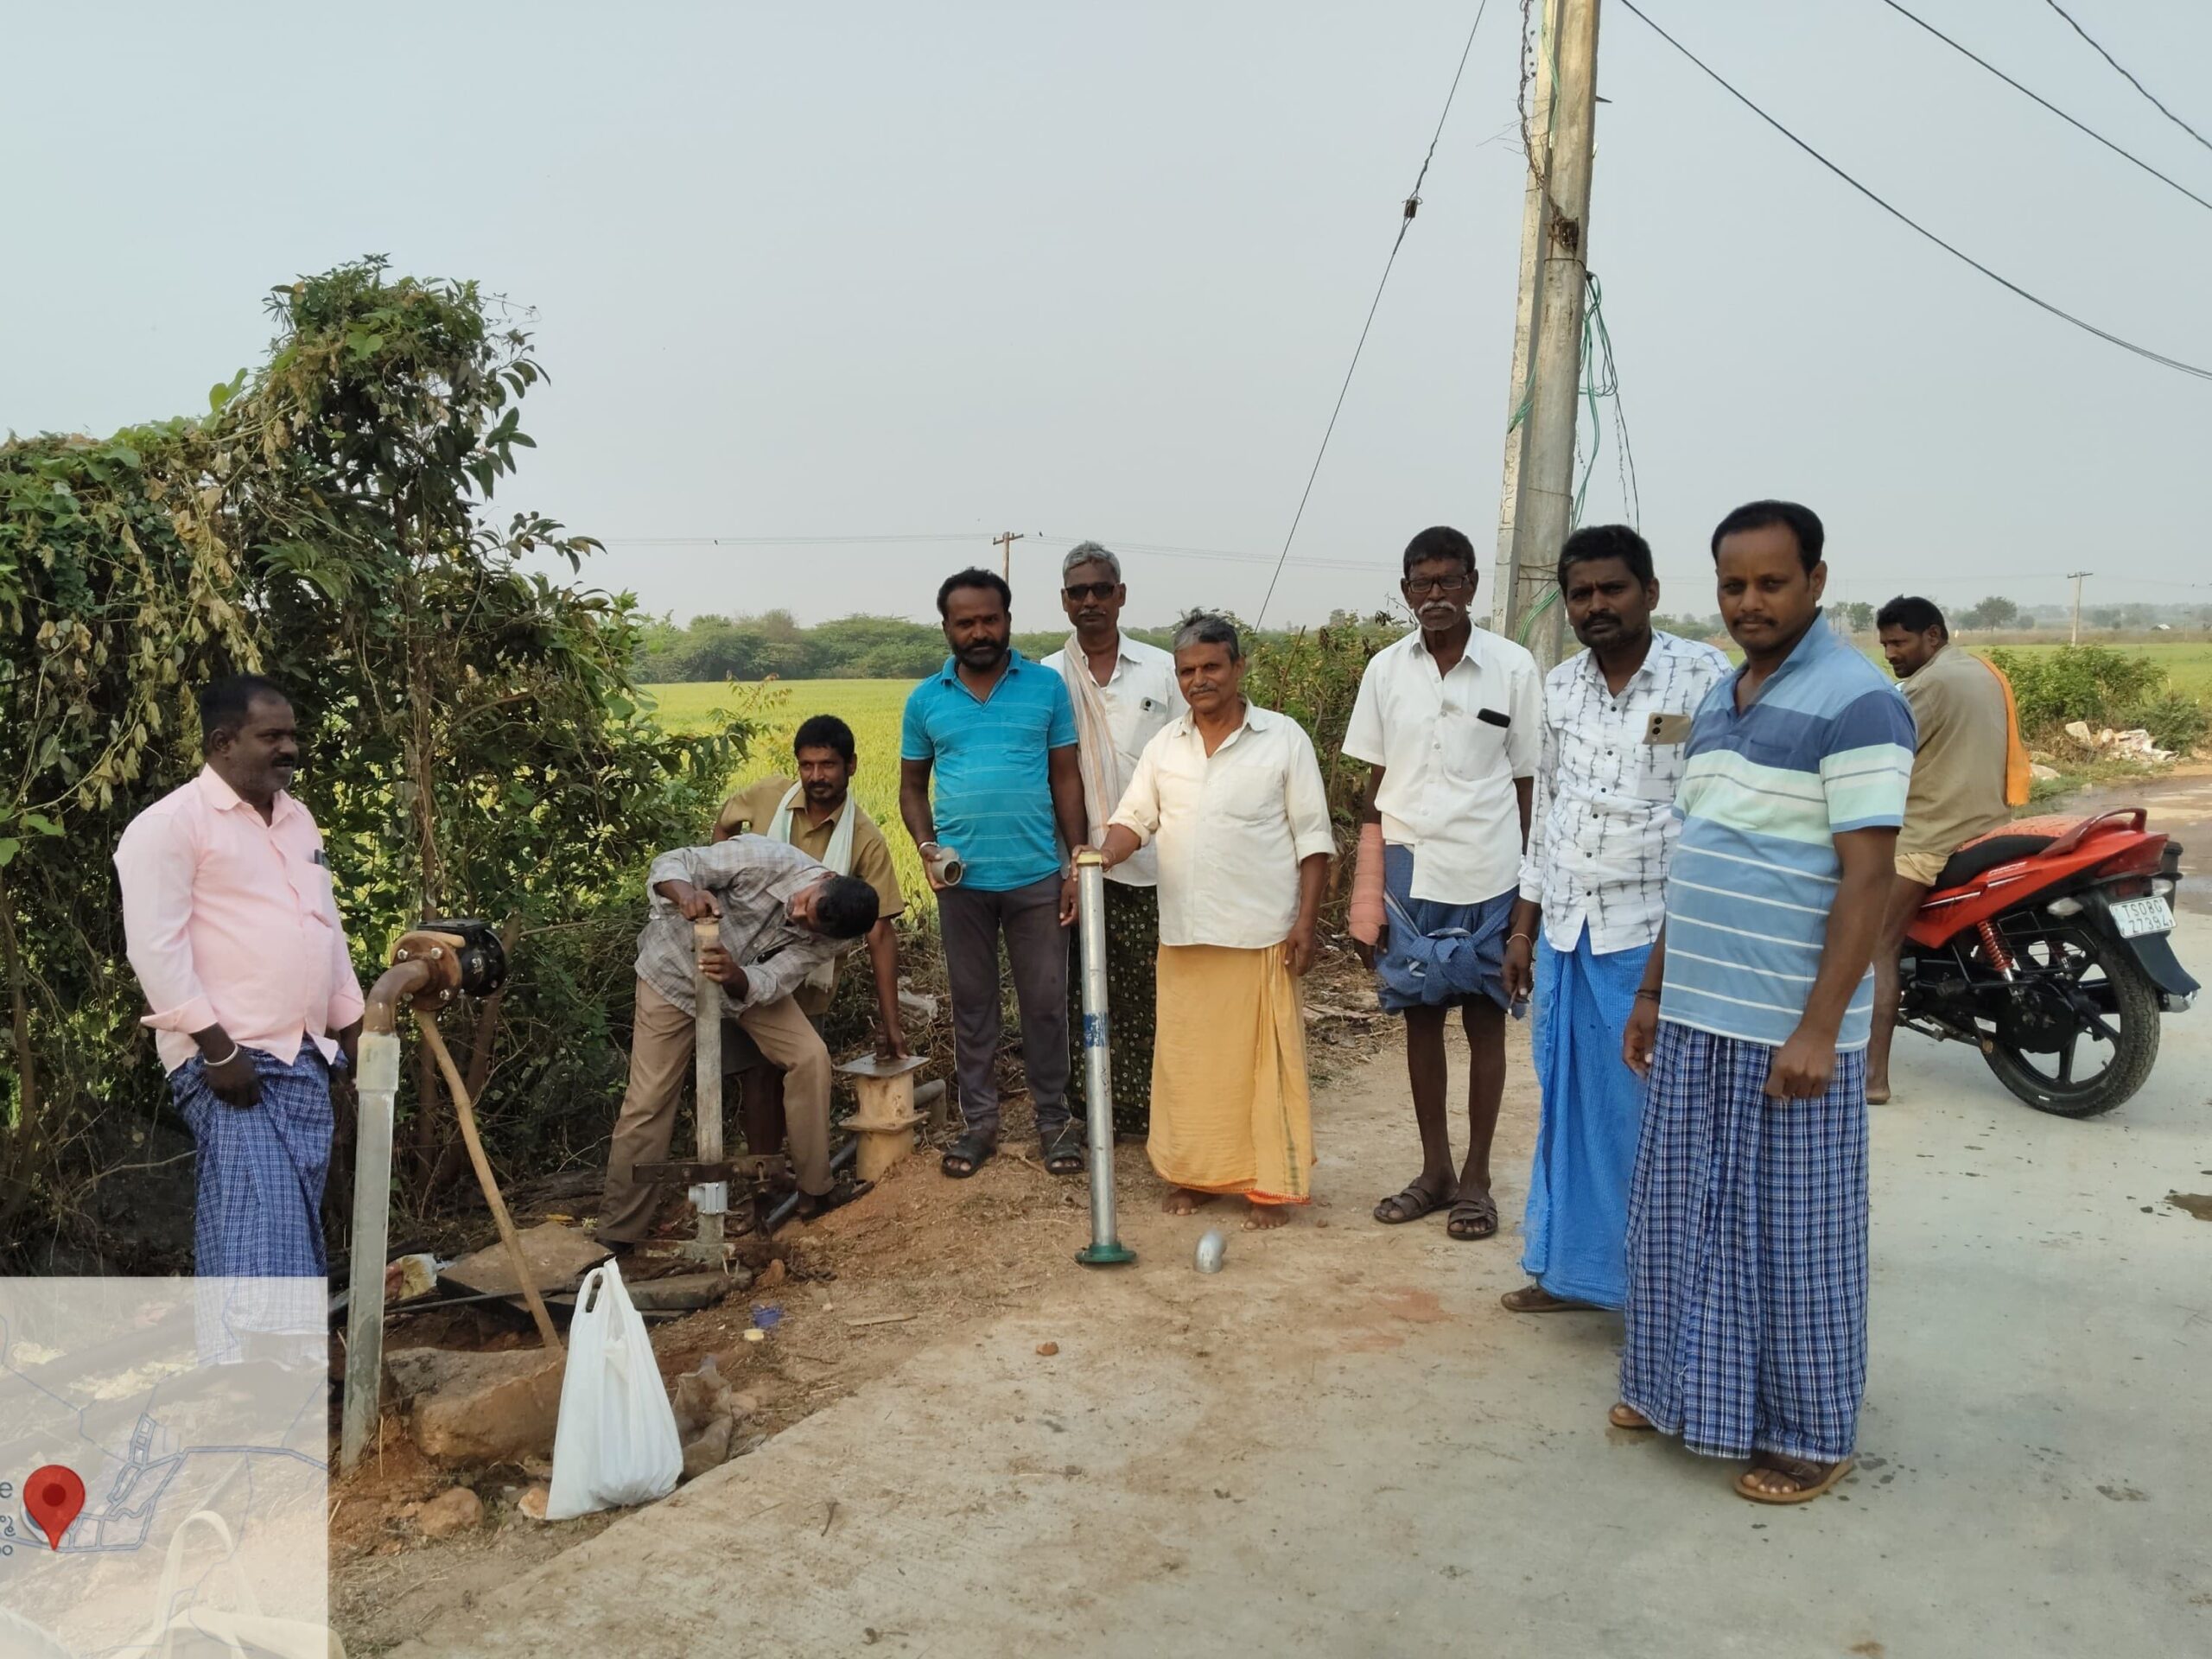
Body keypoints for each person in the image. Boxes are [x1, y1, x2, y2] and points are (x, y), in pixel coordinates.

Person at [1616, 500, 1916, 1506]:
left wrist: (1821, 1026)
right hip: (1698, 1015)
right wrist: (1654, 987)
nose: (1750, 602)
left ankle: (1810, 1433)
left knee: (1796, 1243)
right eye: (1733, 585)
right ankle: (1674, 1392)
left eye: (1771, 582)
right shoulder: (1718, 700)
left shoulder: (1858, 701)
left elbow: (1867, 880)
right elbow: (1697, 857)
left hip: (1782, 1029)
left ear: (1817, 581)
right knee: (1679, 1221)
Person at [1499, 527, 1728, 1315]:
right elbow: (1549, 815)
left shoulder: (1704, 677)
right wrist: (1523, 929)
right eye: (1581, 593)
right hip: (1567, 929)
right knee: (1568, 1106)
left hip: (1653, 938)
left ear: (1651, 592)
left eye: (1612, 589)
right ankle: (1570, 1270)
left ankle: (1663, 1294)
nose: (1596, 605)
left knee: (1652, 1118)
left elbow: (1717, 819)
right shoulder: (1559, 687)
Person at [115, 675, 364, 1296]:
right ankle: (267, 1367)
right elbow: (155, 948)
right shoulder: (170, 824)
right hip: (227, 1057)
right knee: (262, 1211)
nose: (289, 749)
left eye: (293, 735)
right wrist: (218, 1050)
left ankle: (259, 1365)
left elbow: (323, 926)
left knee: (282, 1210)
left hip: (304, 1052)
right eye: (271, 736)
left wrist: (354, 1029)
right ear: (223, 742)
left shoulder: (298, 820)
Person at [1098, 613, 1332, 1229]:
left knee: (1262, 1072)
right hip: (1185, 936)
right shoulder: (1163, 747)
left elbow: (1314, 842)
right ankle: (1197, 1177)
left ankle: (1267, 1186)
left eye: (1211, 667)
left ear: (1238, 668)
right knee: (1191, 1071)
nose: (1199, 680)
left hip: (1262, 936)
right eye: (1187, 671)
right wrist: (1100, 855)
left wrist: (1305, 924)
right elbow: (1133, 820)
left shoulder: (1283, 739)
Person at [1346, 524, 1541, 1243]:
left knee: (1484, 1023)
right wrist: (1366, 894)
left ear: (1471, 587)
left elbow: (1528, 787)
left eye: (1448, 581)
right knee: (1419, 1021)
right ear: (1404, 592)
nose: (1435, 595)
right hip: (1406, 868)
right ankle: (1435, 1172)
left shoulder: (1513, 668)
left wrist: (1529, 901)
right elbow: (1373, 785)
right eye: (1421, 583)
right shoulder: (1384, 671)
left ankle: (1479, 1181)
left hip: (1490, 868)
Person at [899, 568, 1090, 1179]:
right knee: (974, 1007)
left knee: (1044, 1006)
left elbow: (1066, 776)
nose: (980, 631)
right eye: (966, 622)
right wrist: (928, 848)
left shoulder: (1044, 688)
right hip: (962, 884)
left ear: (1007, 619)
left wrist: (1075, 864)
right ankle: (978, 1125)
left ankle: (1054, 1123)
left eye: (990, 619)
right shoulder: (926, 700)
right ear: (948, 628)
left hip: (1036, 876)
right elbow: (910, 788)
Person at [599, 837, 881, 1247]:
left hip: (742, 985)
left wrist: (734, 977)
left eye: (809, 923)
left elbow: (773, 980)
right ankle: (617, 1234)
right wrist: (686, 895)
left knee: (811, 1056)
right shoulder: (767, 859)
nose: (797, 914)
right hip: (671, 975)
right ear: (826, 878)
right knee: (648, 1102)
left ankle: (814, 1192)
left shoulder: (834, 937)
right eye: (804, 903)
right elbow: (670, 863)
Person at [713, 714, 909, 1160]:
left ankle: (803, 1179)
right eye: (807, 766)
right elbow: (724, 823)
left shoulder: (864, 839)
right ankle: (767, 1179)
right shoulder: (766, 798)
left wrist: (891, 1021)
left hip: (807, 977)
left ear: (852, 766)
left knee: (795, 1075)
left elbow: (880, 930)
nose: (816, 777)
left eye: (828, 765)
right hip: (742, 963)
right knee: (755, 1077)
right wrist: (718, 887)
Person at [1041, 541, 1185, 1140]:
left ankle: (1160, 1110)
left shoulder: (1163, 670)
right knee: (1082, 990)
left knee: (1157, 989)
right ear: (1065, 602)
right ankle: (1093, 1110)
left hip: (1160, 861)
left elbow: (1189, 754)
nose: (1092, 601)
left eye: (1103, 589)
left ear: (1121, 595)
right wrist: (1068, 862)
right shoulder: (1048, 677)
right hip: (1074, 864)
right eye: (1079, 592)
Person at [1866, 595, 2018, 1104]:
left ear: (1933, 636)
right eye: (1885, 643)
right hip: (1988, 823)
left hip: (1928, 836)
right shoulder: (1982, 670)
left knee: (1876, 948)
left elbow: (1882, 753)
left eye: (1899, 641)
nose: (1890, 652)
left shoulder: (1925, 686)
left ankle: (1873, 1079)